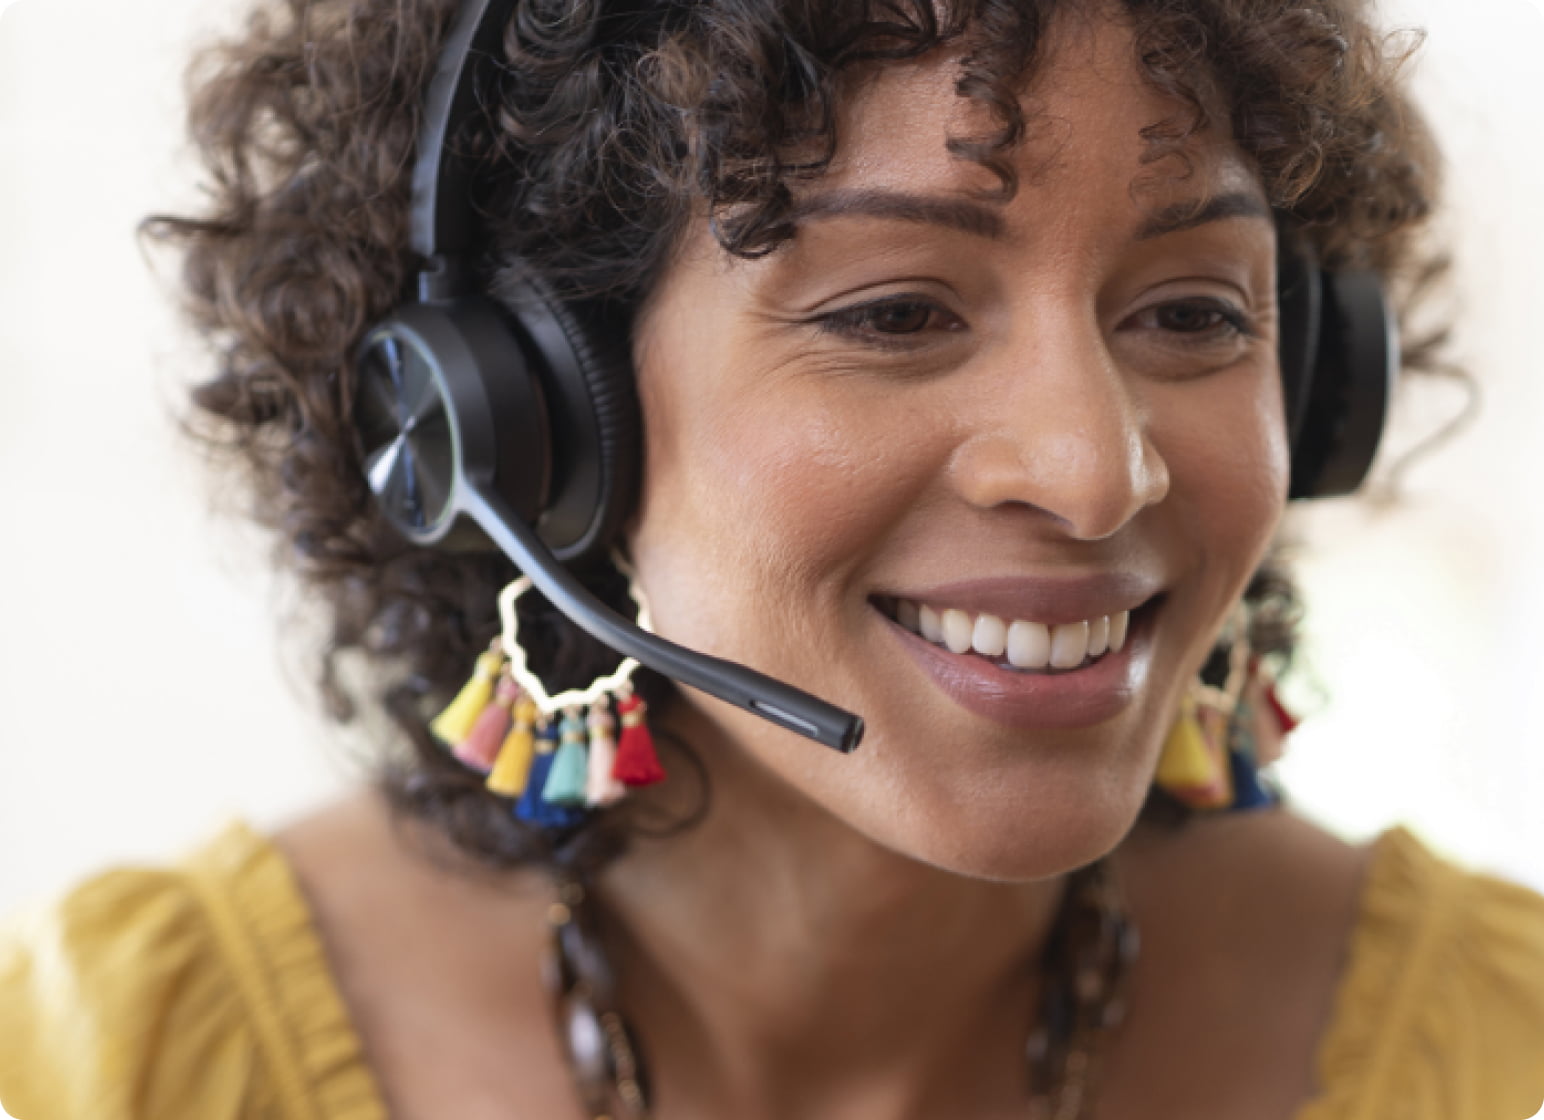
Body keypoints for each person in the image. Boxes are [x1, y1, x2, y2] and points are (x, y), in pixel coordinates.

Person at [2, 0, 1542, 1117]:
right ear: (526, 425)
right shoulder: (109, 1072)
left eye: (1195, 312)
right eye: (894, 314)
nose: (1094, 470)